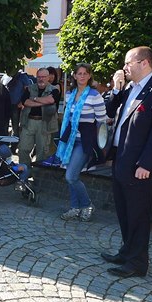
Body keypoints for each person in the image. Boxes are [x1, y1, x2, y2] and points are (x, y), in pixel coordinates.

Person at [101, 46, 152, 278]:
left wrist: (146, 163)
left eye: (128, 63)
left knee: (138, 214)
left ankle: (137, 263)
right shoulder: (130, 88)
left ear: (144, 63)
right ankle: (126, 251)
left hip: (139, 166)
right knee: (124, 210)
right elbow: (109, 110)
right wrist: (116, 88)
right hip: (121, 160)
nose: (124, 68)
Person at [49, 63, 107, 222]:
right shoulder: (69, 94)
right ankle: (75, 207)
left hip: (85, 141)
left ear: (89, 76)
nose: (82, 76)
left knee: (71, 176)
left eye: (85, 73)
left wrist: (100, 143)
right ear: (74, 76)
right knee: (72, 176)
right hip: (70, 140)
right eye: (79, 73)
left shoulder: (94, 95)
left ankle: (87, 205)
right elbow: (67, 117)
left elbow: (102, 121)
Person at [18, 68, 60, 166]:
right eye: (39, 77)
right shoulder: (29, 88)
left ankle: (39, 176)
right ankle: (25, 172)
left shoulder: (54, 90)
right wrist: (41, 102)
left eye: (44, 77)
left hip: (45, 124)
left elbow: (50, 100)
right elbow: (25, 102)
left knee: (42, 152)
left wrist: (34, 99)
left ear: (48, 77)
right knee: (23, 149)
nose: (41, 79)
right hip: (29, 122)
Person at [6, 69, 32, 142]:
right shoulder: (5, 76)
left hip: (17, 105)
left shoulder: (22, 76)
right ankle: (7, 144)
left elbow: (28, 90)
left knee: (16, 128)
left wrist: (22, 102)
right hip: (6, 105)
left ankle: (15, 146)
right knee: (6, 127)